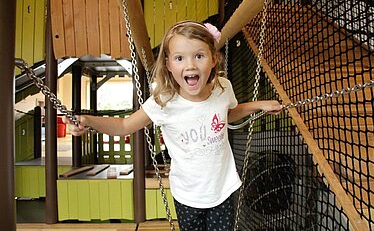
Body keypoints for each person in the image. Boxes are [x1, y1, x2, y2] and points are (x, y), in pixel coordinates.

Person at [63, 20, 282, 230]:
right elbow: (123, 126)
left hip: (222, 190)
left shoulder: (222, 88)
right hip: (187, 195)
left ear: (214, 59)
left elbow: (228, 114)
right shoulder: (164, 101)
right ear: (168, 64)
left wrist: (258, 105)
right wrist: (88, 120)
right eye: (180, 58)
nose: (190, 65)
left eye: (199, 56)